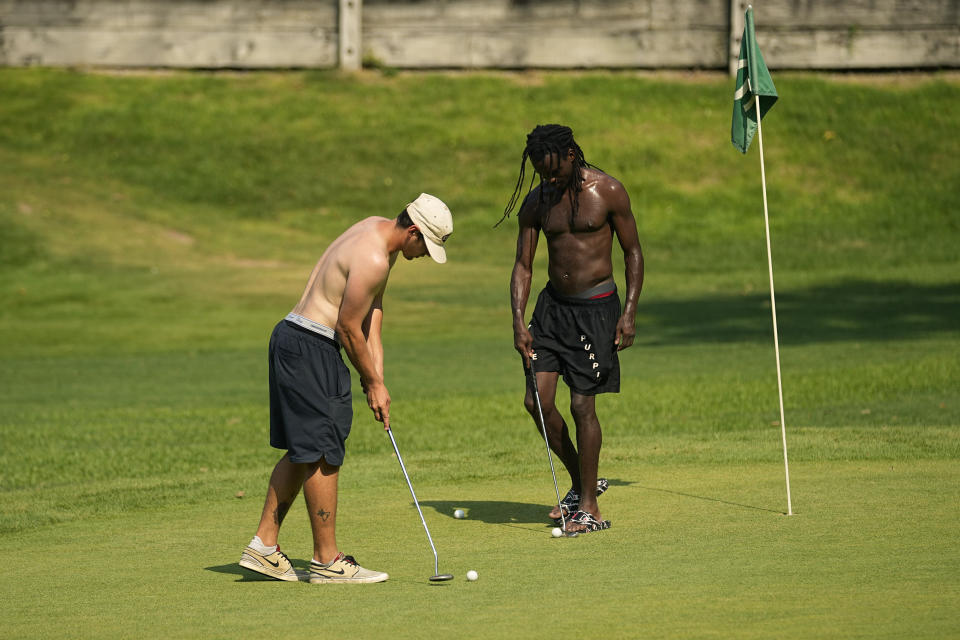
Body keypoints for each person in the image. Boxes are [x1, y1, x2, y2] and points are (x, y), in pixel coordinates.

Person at [239, 193, 453, 583]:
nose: (425, 255)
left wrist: (380, 380)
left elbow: (373, 315)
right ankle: (326, 561)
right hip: (312, 346)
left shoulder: (375, 231)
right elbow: (348, 328)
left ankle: (264, 547)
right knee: (322, 450)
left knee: (306, 449)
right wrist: (370, 382)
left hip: (293, 338)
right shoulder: (374, 259)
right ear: (414, 232)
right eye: (427, 246)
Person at [503, 124, 643, 534]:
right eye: (541, 174)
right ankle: (584, 482)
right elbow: (523, 265)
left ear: (570, 154)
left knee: (583, 406)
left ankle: (590, 507)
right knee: (536, 403)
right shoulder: (537, 202)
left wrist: (630, 312)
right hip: (552, 311)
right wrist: (517, 318)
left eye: (554, 172)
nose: (549, 180)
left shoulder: (608, 192)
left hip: (597, 310)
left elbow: (632, 251)